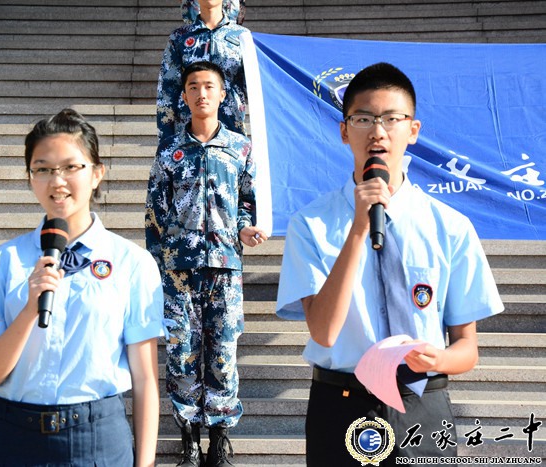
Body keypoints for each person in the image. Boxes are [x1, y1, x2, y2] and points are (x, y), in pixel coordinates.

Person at [275, 63, 504, 466]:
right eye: (363, 119)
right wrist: (358, 231)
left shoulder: (449, 226)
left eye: (391, 119)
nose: (378, 132)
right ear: (345, 131)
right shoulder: (310, 224)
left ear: (412, 130)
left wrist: (440, 359)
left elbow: (467, 348)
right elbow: (324, 332)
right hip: (342, 404)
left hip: (423, 404)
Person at [0, 108, 164, 467]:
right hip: (12, 437)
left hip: (97, 437)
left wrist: (145, 464)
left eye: (72, 167)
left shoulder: (133, 262)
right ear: (30, 178)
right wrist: (29, 308)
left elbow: (146, 378)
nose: (57, 181)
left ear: (97, 173)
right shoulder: (2, 261)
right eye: (43, 169)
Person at [146, 61, 267, 467]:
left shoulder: (240, 148)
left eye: (209, 86)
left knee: (222, 354)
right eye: (193, 86)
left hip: (225, 268)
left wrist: (247, 228)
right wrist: (156, 268)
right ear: (184, 95)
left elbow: (248, 201)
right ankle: (188, 440)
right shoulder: (169, 151)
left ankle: (218, 439)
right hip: (179, 272)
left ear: (221, 95)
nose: (201, 93)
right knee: (182, 353)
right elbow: (154, 215)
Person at [158, 0, 249, 146]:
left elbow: (255, 88)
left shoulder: (243, 37)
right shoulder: (180, 38)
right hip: (188, 136)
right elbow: (167, 92)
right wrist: (166, 139)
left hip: (231, 134)